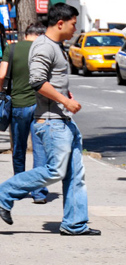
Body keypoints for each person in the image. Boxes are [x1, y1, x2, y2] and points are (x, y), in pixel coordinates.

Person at [0, 3, 101, 236]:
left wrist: (65, 96)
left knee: (76, 174)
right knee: (55, 171)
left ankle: (75, 224)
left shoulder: (57, 46)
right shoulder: (44, 47)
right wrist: (65, 101)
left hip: (63, 120)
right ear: (60, 23)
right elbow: (37, 81)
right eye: (74, 24)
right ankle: (4, 194)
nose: (75, 29)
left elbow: (50, 81)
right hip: (51, 121)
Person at [0, 22, 48, 204]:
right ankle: (39, 192)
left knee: (19, 148)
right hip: (40, 106)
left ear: (26, 34)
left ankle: (18, 187)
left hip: (18, 105)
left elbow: (1, 75)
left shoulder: (11, 49)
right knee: (40, 149)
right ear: (41, 35)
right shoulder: (43, 49)